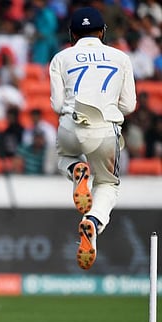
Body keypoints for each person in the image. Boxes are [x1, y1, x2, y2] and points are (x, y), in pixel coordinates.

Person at [49, 7, 136, 271]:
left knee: (64, 157)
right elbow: (129, 105)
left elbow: (56, 104)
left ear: (72, 34)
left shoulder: (60, 58)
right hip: (105, 130)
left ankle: (77, 169)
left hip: (71, 124)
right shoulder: (120, 58)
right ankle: (94, 222)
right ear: (102, 32)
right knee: (108, 185)